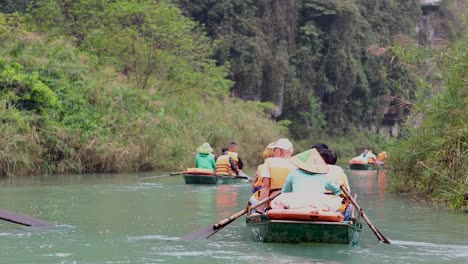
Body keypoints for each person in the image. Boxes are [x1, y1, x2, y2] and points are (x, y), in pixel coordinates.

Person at [271, 148, 343, 212]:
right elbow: (336, 190)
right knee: (335, 202)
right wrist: (339, 187)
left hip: (296, 202)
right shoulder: (323, 176)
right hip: (317, 203)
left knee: (277, 201)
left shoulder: (294, 173)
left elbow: (285, 191)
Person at [256, 138, 296, 213]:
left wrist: (259, 211)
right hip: (293, 207)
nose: (273, 152)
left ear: (279, 151)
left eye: (274, 150)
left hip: (274, 206)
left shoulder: (269, 163)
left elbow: (266, 188)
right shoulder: (298, 164)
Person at [249, 142, 275, 208]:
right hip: (271, 202)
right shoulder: (281, 167)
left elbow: (254, 187)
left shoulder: (260, 167)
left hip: (256, 199)